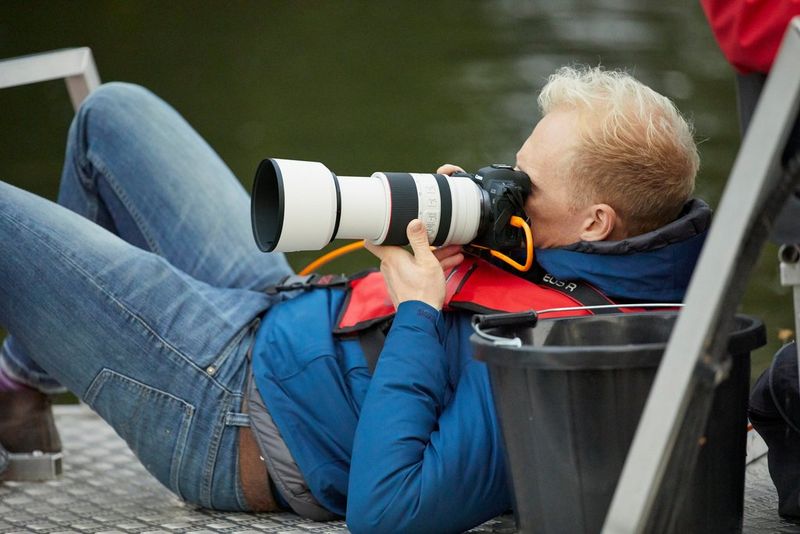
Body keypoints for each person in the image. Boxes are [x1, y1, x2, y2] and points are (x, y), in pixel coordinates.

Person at [0, 66, 708, 533]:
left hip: (229, 412)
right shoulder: (593, 257)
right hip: (278, 309)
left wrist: (419, 311)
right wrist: (473, 236)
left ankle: (16, 382)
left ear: (596, 222)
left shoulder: (559, 359)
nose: (509, 185)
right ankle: (21, 385)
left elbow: (387, 512)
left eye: (527, 180)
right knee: (112, 115)